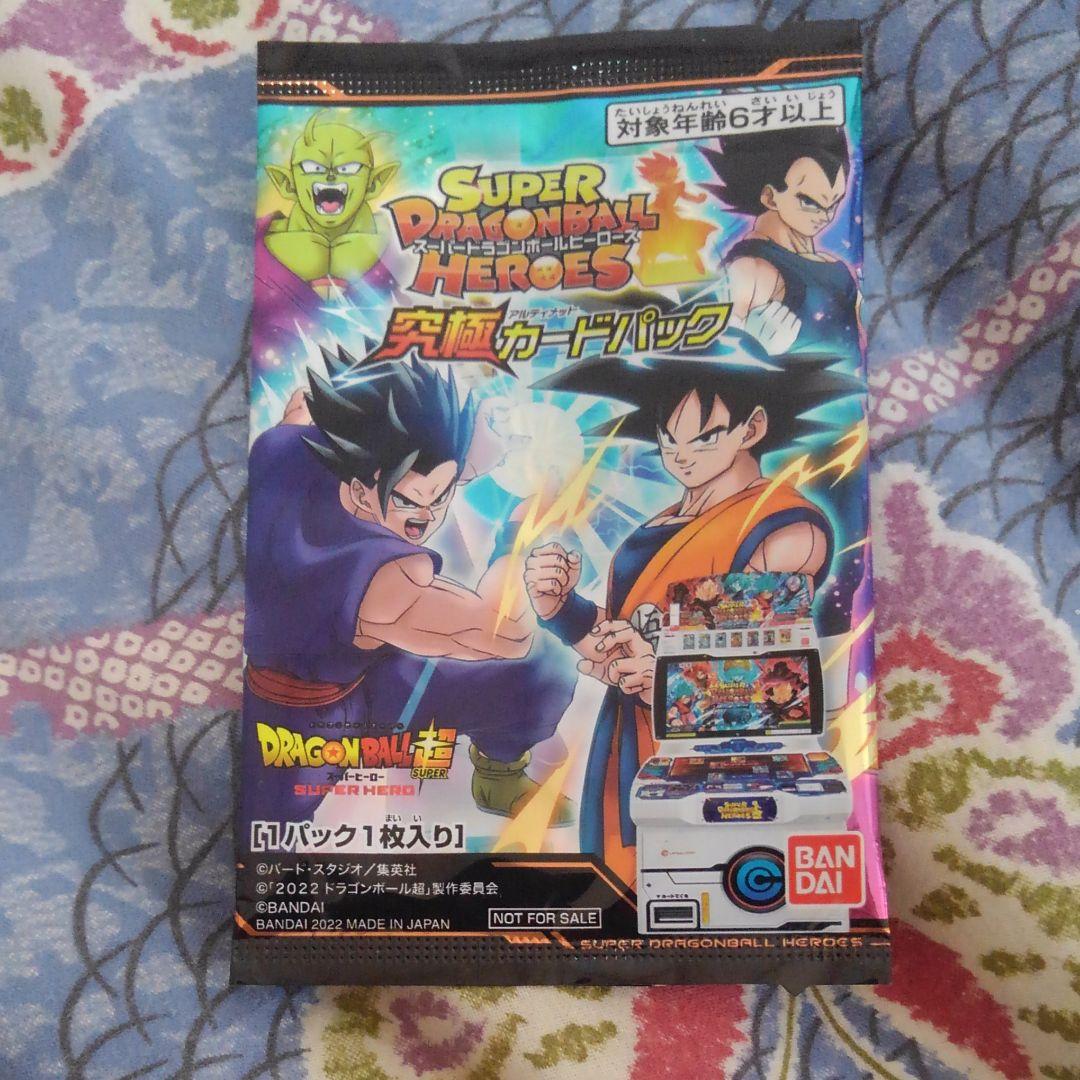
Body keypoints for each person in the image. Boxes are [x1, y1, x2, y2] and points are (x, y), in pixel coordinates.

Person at [523, 333, 861, 883]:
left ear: (752, 428)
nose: (680, 454)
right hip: (628, 744)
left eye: (704, 437)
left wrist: (660, 679)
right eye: (668, 437)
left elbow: (777, 688)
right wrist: (561, 608)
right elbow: (623, 643)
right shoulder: (657, 525)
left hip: (723, 768)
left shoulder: (780, 528)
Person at [242, 345, 576, 831]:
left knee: (544, 670)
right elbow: (505, 635)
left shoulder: (283, 447)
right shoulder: (385, 580)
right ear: (361, 489)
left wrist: (463, 447)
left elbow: (302, 406)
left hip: (357, 669)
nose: (428, 518)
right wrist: (517, 535)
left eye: (442, 497)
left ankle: (498, 778)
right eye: (409, 502)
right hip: (303, 725)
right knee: (271, 839)